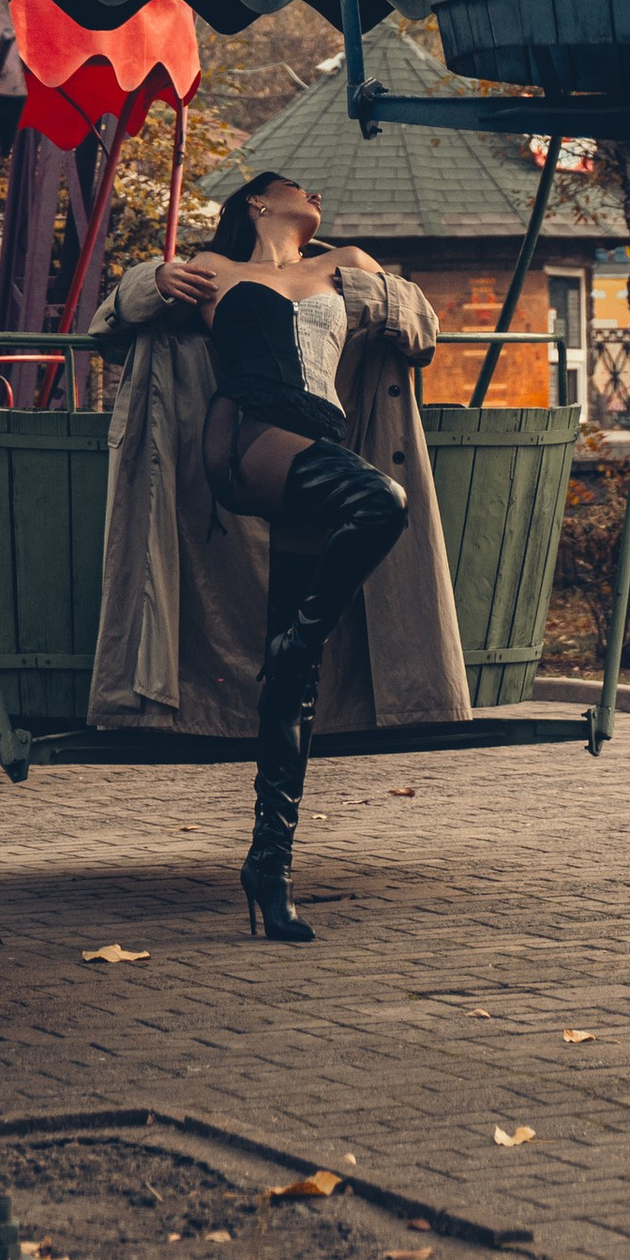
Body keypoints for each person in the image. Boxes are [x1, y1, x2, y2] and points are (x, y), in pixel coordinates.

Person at [144, 169, 427, 940]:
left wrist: (392, 303)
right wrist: (150, 280)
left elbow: (418, 323)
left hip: (314, 441)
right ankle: (298, 639)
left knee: (293, 688)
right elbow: (121, 311)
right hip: (246, 435)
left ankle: (269, 868)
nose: (317, 195)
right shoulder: (214, 269)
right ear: (259, 201)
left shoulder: (345, 265)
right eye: (301, 186)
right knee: (381, 502)